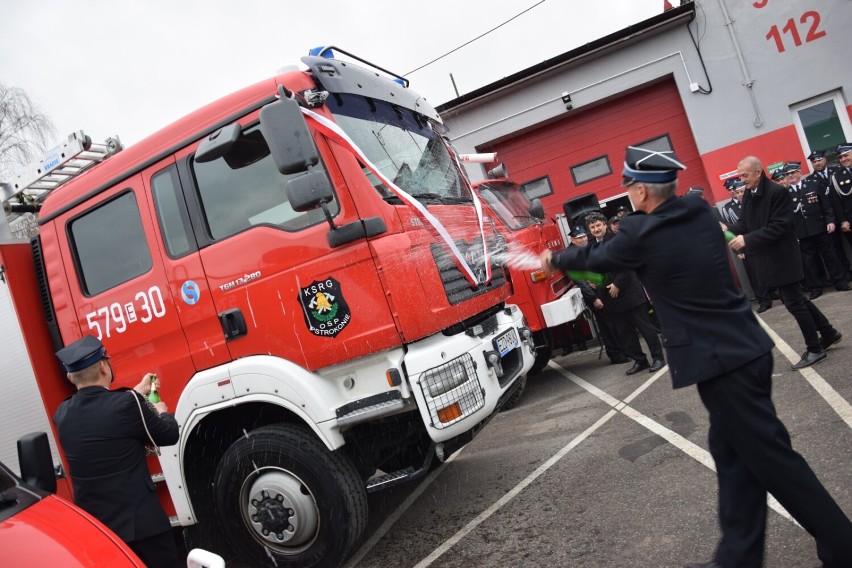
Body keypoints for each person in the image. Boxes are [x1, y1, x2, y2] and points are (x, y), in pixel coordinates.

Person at [540, 145, 852, 568]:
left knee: (774, 461)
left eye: (629, 185)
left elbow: (597, 258)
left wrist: (554, 257)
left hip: (722, 364)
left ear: (644, 192)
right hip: (745, 350)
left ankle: (843, 546)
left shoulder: (640, 233)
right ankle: (737, 559)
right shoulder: (700, 213)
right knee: (733, 458)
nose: (627, 192)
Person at [53, 335, 181, 568]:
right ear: (104, 366)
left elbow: (103, 415)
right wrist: (161, 412)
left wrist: (136, 393)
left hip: (102, 532)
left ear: (70, 376)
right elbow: (168, 435)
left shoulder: (62, 414)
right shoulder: (127, 404)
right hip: (144, 527)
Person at [726, 156, 843, 370]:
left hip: (782, 257)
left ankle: (815, 348)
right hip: (769, 258)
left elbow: (780, 226)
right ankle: (828, 332)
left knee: (794, 303)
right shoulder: (750, 195)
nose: (742, 180)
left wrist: (747, 239)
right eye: (740, 175)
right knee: (798, 299)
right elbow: (745, 222)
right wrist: (728, 228)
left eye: (744, 175)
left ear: (758, 172)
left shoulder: (777, 192)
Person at [586, 211, 665, 375]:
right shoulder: (592, 247)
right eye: (592, 227)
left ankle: (658, 358)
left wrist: (617, 284)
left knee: (645, 328)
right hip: (611, 299)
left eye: (598, 225)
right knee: (625, 333)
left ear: (605, 224)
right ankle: (640, 360)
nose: (596, 229)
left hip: (629, 293)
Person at [786, 160, 849, 299]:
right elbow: (787, 218)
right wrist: (793, 235)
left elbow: (826, 206)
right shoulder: (785, 194)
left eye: (792, 173)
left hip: (820, 228)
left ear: (799, 172)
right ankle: (816, 287)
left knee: (831, 257)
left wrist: (830, 221)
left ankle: (840, 282)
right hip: (802, 233)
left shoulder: (813, 184)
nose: (790, 176)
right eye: (787, 174)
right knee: (810, 262)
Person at [569, 225, 629, 365]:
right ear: (572, 240)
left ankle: (623, 351)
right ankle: (616, 355)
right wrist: (593, 298)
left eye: (584, 236)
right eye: (579, 238)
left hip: (601, 290)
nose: (583, 239)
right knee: (607, 326)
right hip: (594, 296)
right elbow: (581, 281)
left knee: (614, 323)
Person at [721, 178, 773, 313]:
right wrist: (738, 250)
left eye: (741, 191)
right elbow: (731, 231)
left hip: (760, 240)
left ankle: (773, 293)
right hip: (745, 244)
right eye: (736, 192)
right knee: (754, 274)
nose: (739, 194)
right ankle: (763, 300)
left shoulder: (754, 202)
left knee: (768, 267)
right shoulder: (728, 208)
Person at [809, 148, 852, 280]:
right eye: (814, 161)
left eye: (819, 160)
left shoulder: (837, 172)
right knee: (836, 248)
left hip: (844, 214)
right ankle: (846, 273)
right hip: (828, 220)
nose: (817, 163)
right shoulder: (811, 181)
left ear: (825, 159)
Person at [828, 143, 852, 275]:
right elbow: (836, 203)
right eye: (840, 157)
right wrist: (843, 221)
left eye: (846, 155)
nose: (843, 159)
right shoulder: (836, 177)